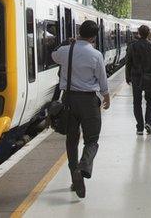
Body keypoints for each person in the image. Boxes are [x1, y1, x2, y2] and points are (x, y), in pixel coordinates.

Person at [51, 20, 111, 199]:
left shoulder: (64, 51)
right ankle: (83, 167)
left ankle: (73, 177)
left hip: (68, 100)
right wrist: (106, 95)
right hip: (88, 101)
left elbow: (53, 55)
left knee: (71, 140)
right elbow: (102, 77)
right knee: (92, 140)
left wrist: (67, 42)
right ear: (93, 36)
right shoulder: (95, 54)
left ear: (79, 32)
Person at [126, 25, 151, 134]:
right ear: (148, 33)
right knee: (150, 100)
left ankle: (139, 127)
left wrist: (128, 77)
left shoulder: (132, 46)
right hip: (149, 76)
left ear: (138, 33)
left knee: (137, 102)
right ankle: (148, 122)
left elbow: (128, 63)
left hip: (136, 77)